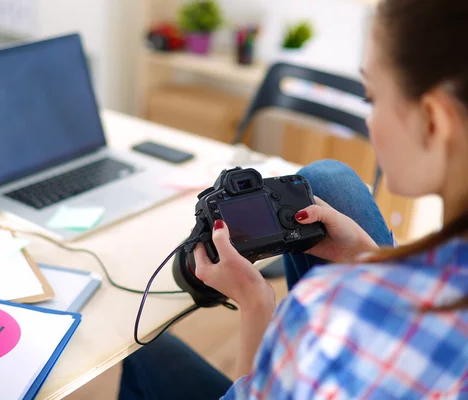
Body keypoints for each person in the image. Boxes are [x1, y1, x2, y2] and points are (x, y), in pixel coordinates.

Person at [119, 0, 468, 398]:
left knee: (144, 351)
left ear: (433, 120)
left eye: (372, 97)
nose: (370, 120)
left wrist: (257, 304)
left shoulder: (329, 305)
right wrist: (366, 256)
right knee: (327, 179)